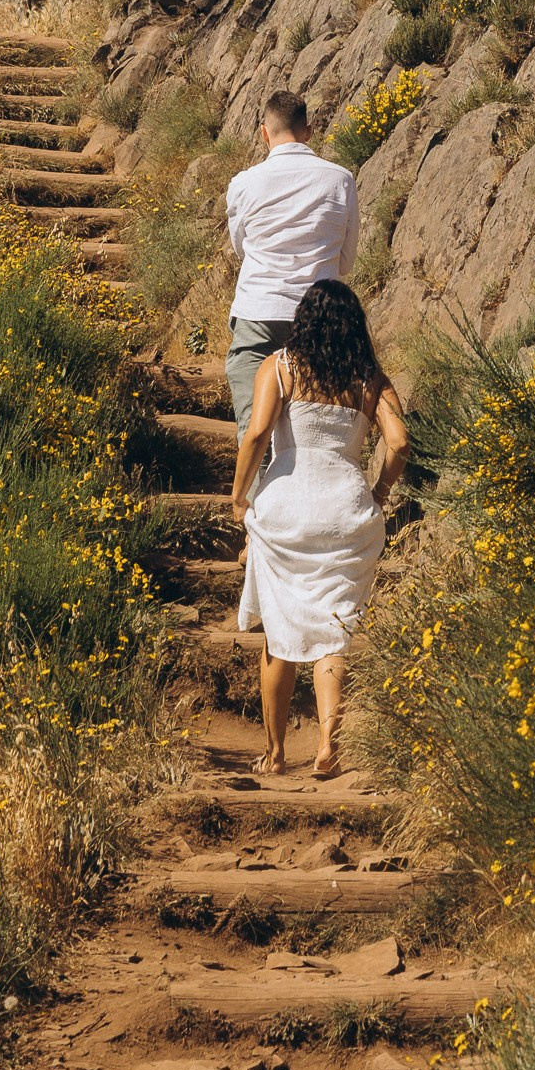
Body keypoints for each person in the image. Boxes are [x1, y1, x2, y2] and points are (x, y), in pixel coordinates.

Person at [230, 279, 409, 778]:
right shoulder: (369, 376)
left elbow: (259, 433)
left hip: (286, 508)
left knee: (279, 632)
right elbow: (398, 443)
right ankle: (329, 744)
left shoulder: (280, 366)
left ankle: (276, 752)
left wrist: (239, 496)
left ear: (302, 321)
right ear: (356, 325)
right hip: (344, 509)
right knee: (335, 630)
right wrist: (378, 493)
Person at [223, 90, 358, 439]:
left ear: (264, 133)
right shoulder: (341, 179)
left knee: (256, 431)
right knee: (314, 434)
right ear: (309, 131)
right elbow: (346, 260)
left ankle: (251, 496)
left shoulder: (244, 183)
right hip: (321, 319)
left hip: (259, 312)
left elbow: (242, 248)